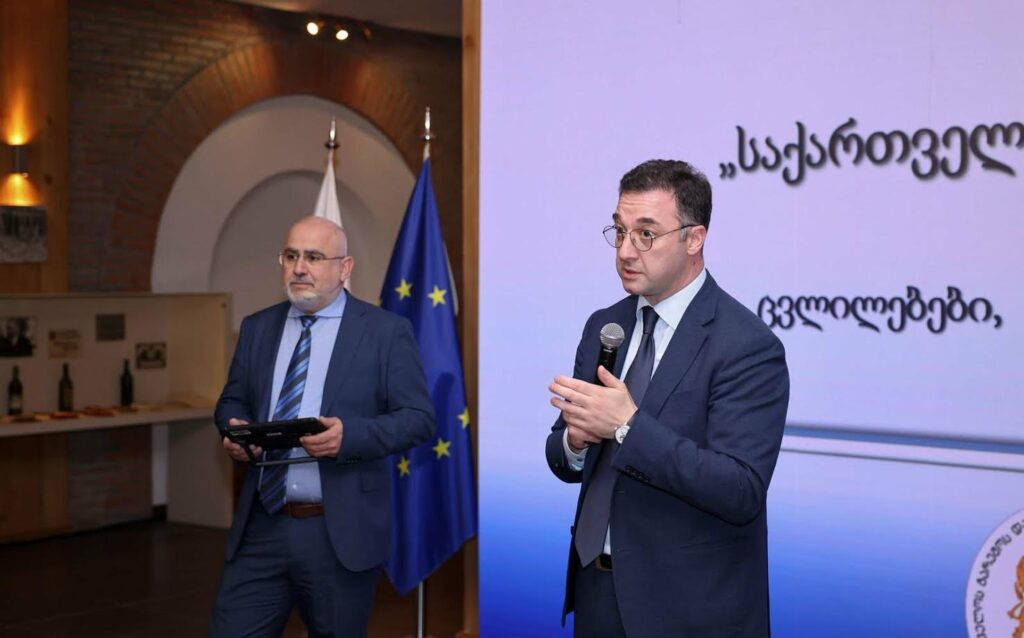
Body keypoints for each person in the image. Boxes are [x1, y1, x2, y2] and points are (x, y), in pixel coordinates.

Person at [545, 160, 790, 637]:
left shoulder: (746, 345)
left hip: (688, 608)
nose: (625, 251)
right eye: (619, 231)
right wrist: (574, 442)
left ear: (693, 239)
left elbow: (740, 490)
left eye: (645, 234)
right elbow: (564, 457)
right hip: (597, 592)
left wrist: (627, 426)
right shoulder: (605, 325)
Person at [211, 216, 435, 637]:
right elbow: (232, 400)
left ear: (344, 268)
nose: (299, 268)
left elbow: (418, 419)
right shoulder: (258, 327)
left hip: (337, 532)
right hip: (261, 526)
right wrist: (235, 428)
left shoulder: (385, 332)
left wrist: (349, 437)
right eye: (291, 256)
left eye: (313, 257)